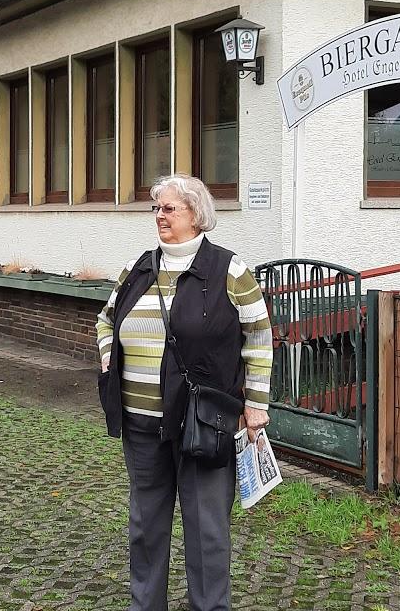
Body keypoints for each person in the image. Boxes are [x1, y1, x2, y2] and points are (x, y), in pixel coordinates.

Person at [96, 173, 272, 611]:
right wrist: (107, 354)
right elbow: (105, 318)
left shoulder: (229, 270)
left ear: (196, 215)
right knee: (145, 527)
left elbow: (260, 336)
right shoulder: (140, 267)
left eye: (169, 208)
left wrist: (255, 404)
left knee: (206, 532)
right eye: (156, 208)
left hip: (203, 425)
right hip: (142, 425)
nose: (159, 215)